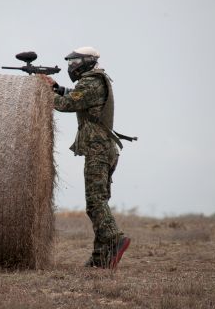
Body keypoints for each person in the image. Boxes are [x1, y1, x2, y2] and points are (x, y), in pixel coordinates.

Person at [40, 46, 132, 269]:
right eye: (70, 63)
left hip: (99, 150)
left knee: (95, 202)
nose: (72, 67)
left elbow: (68, 104)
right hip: (102, 149)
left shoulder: (92, 82)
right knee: (97, 202)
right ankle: (101, 259)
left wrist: (42, 91)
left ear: (88, 62)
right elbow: (75, 96)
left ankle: (115, 237)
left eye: (75, 62)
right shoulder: (93, 81)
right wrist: (58, 88)